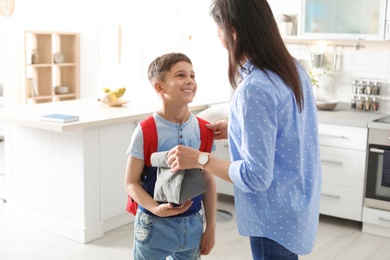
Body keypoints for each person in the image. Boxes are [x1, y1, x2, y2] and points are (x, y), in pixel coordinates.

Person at [167, 0, 322, 259]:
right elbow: (290, 130)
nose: (219, 39)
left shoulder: (254, 88)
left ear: (234, 32)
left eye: (219, 33)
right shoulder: (292, 69)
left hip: (273, 218)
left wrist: (200, 159)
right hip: (296, 205)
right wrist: (238, 128)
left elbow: (256, 177)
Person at [124, 52, 216, 259]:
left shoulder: (204, 130)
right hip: (153, 226)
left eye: (192, 75)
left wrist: (211, 227)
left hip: (193, 224)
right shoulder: (145, 130)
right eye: (181, 75)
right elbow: (131, 183)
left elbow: (207, 178)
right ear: (159, 87)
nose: (190, 81)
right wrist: (156, 209)